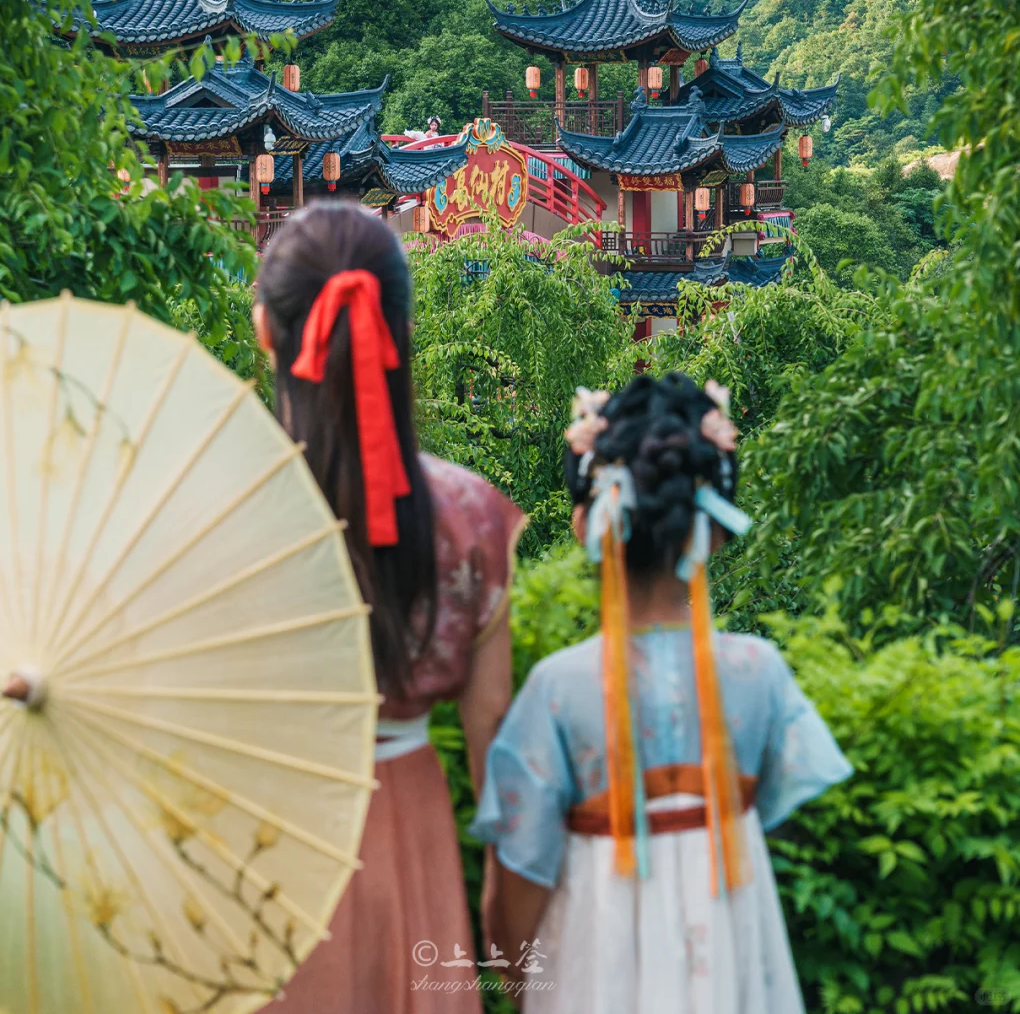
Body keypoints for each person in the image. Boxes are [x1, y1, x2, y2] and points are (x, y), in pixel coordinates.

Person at [473, 373, 852, 1013]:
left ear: (587, 523)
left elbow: (517, 884)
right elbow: (773, 828)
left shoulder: (558, 689)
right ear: (717, 527)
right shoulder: (760, 674)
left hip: (594, 968)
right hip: (733, 959)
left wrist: (521, 983)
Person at [254, 202, 525, 1014]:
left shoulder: (215, 510)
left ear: (266, 329)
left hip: (254, 852)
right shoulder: (470, 517)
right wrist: (503, 932)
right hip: (411, 852)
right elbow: (499, 771)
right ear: (401, 333)